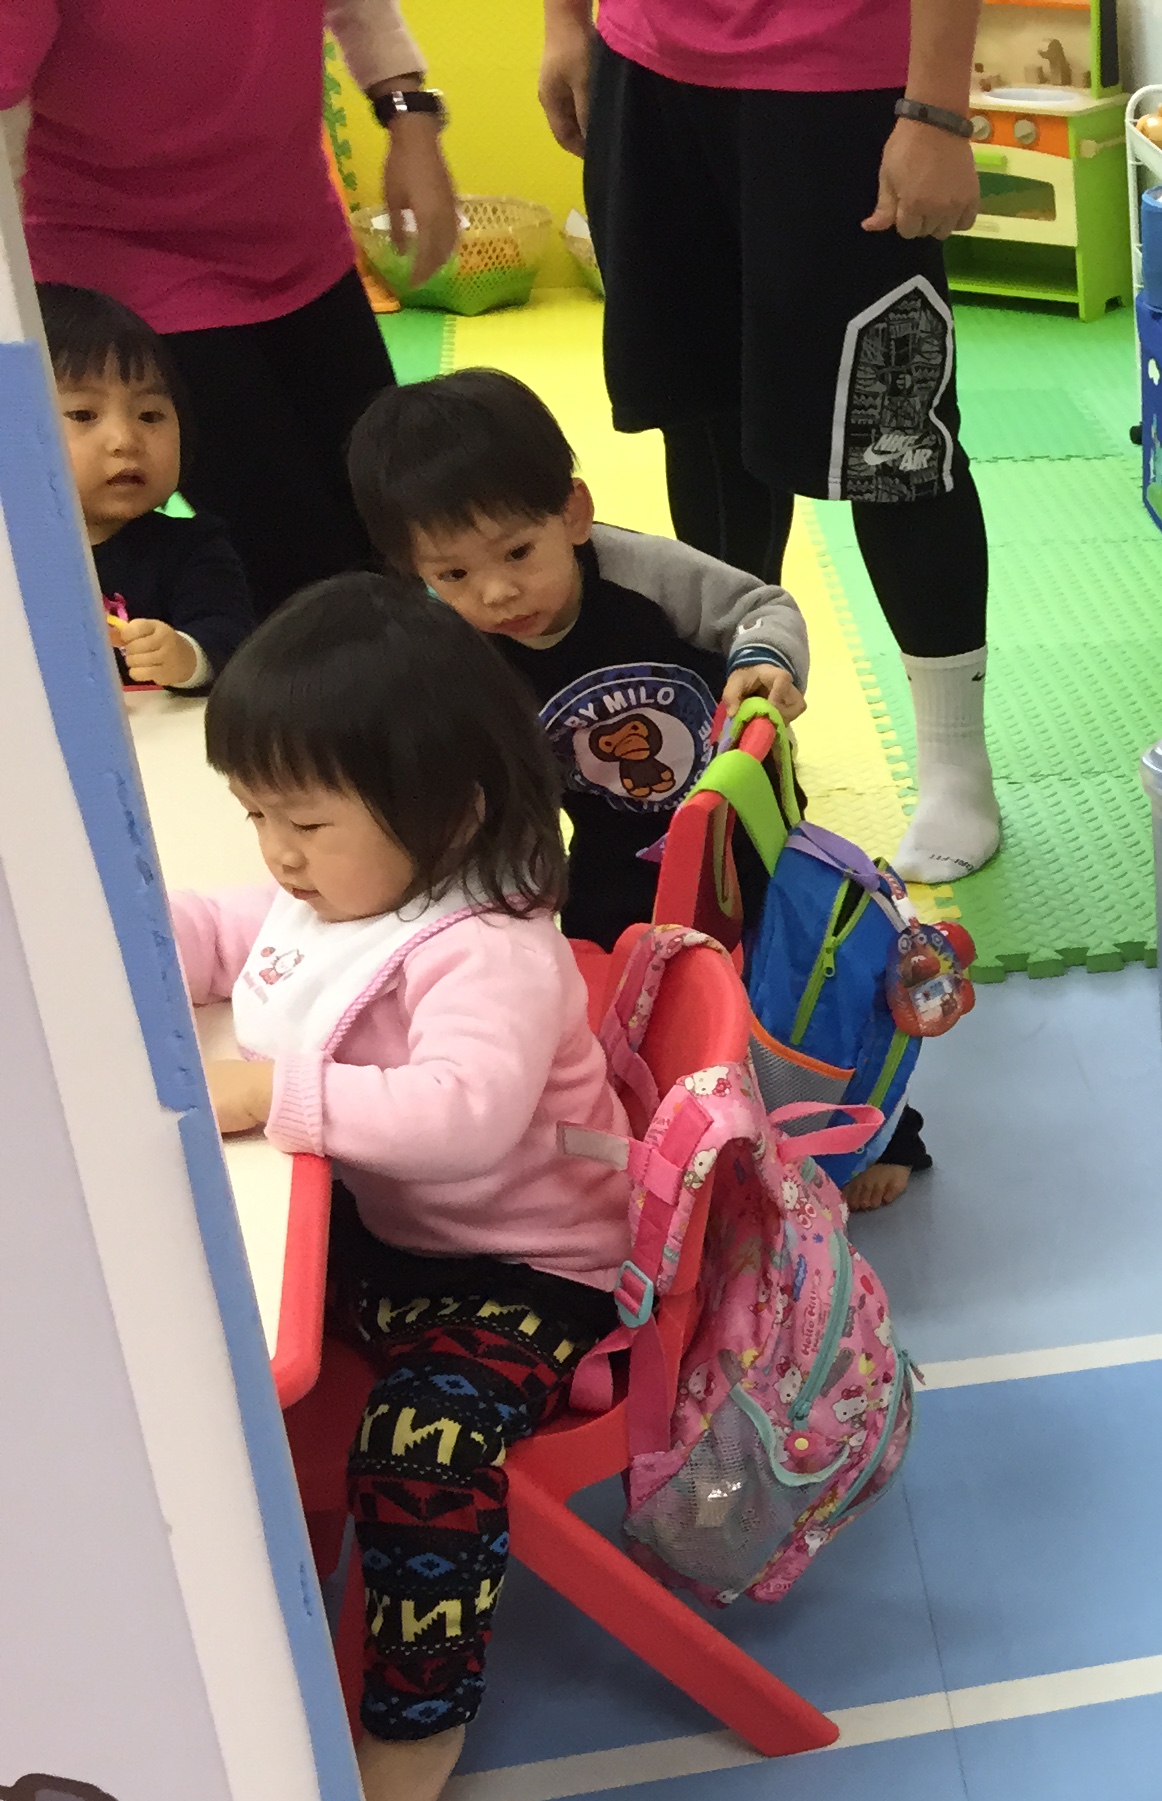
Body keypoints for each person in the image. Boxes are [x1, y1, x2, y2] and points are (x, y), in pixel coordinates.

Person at [173, 576, 634, 1801]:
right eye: (256, 815)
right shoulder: (354, 892)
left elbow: (463, 1116)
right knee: (195, 1311)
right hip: (409, 1241)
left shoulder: (488, 946)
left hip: (534, 1270)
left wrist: (274, 1091)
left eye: (304, 822)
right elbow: (228, 932)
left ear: (450, 811)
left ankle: (418, 1715)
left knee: (418, 1456)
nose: (278, 854)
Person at [342, 367, 933, 1210]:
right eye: (454, 576)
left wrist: (765, 663)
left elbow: (761, 606)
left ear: (572, 513)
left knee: (802, 988)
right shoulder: (457, 645)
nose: (497, 592)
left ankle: (889, 1130)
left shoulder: (641, 574)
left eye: (517, 553)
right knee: (607, 993)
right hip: (614, 846)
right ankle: (670, 1133)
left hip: (742, 829)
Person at [538, 0, 1006, 885]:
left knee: (893, 439)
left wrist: (937, 110)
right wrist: (565, 23)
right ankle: (746, 731)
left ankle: (954, 762)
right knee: (703, 421)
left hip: (841, 83)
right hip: (647, 65)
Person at [3, 0, 461, 611]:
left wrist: (410, 119)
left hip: (296, 234)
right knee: (295, 562)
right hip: (127, 257)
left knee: (395, 516)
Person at [42, 282, 256, 692]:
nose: (125, 440)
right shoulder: (13, 557)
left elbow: (233, 641)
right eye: (83, 414)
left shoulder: (192, 548)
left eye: (150, 415)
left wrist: (186, 656)